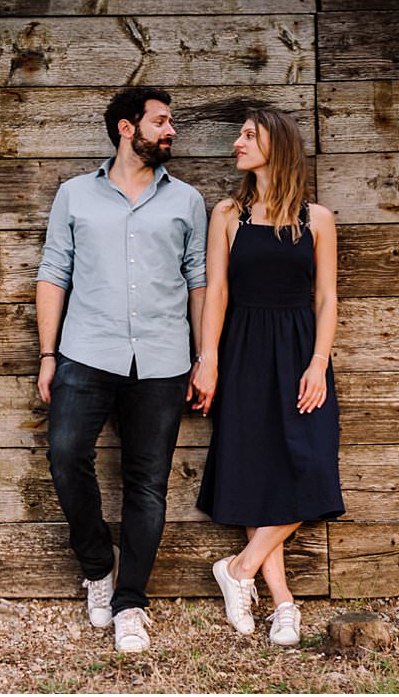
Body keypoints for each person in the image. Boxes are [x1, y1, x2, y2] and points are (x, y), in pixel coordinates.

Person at [36, 87, 207, 653]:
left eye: (171, 123)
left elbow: (198, 282)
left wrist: (205, 358)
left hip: (162, 359)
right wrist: (47, 353)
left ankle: (131, 602)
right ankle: (97, 568)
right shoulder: (74, 196)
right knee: (64, 454)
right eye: (161, 122)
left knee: (148, 484)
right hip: (87, 352)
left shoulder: (185, 201)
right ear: (127, 129)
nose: (171, 131)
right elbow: (53, 272)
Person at [191, 108, 345, 646]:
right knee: (259, 472)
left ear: (275, 146)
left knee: (313, 465)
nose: (237, 143)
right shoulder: (228, 214)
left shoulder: (318, 219)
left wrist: (319, 362)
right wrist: (207, 358)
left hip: (302, 349)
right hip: (244, 351)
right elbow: (217, 293)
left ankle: (239, 569)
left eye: (248, 136)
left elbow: (326, 298)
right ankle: (283, 604)